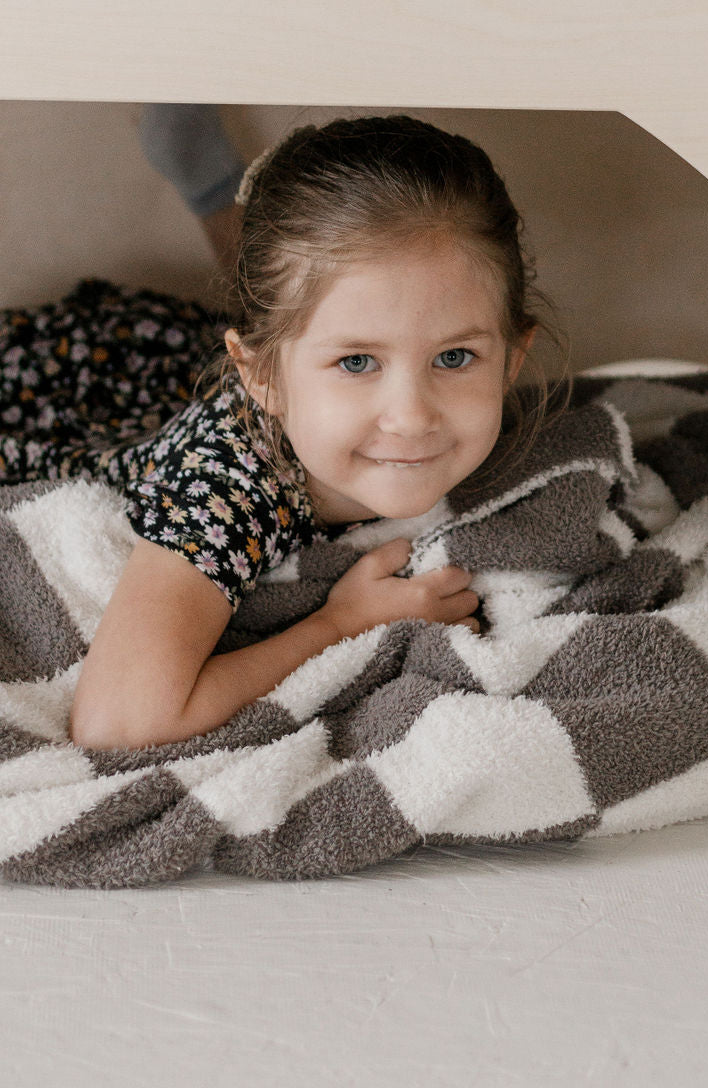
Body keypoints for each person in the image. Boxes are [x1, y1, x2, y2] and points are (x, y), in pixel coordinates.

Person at [0, 108, 569, 751]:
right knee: (283, 317)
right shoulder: (226, 487)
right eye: (358, 361)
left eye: (454, 357)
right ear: (259, 377)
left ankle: (218, 194)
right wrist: (339, 623)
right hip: (43, 391)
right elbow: (121, 722)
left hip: (192, 373)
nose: (412, 416)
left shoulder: (317, 377)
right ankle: (216, 190)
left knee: (297, 309)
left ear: (513, 358)